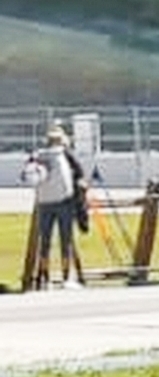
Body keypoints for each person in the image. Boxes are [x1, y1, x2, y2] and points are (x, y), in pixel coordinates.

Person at [19, 123, 85, 289]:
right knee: (66, 241)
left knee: (45, 242)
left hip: (44, 203)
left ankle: (44, 278)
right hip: (64, 202)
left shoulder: (37, 155)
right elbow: (80, 173)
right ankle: (66, 277)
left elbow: (25, 175)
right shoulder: (65, 154)